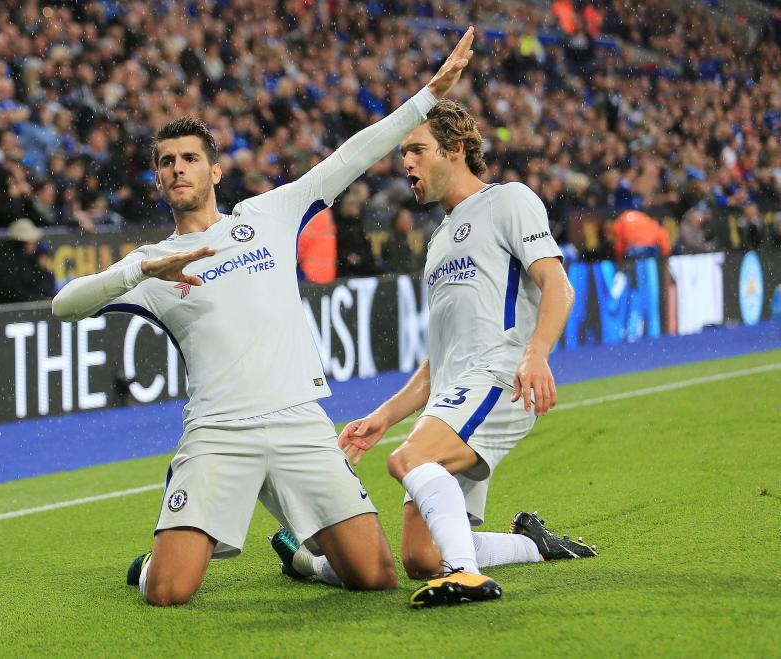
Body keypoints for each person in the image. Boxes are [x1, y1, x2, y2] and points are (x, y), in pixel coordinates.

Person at [52, 28, 480, 607]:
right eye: (167, 163)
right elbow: (64, 305)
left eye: (190, 159)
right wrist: (137, 273)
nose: (178, 169)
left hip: (299, 423)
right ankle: (154, 562)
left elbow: (349, 157)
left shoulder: (268, 215)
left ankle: (301, 557)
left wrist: (427, 97)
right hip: (219, 431)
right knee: (170, 593)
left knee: (374, 575)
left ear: (214, 172)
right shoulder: (150, 264)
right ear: (158, 179)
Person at [334, 94, 597, 609]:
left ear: (454, 148)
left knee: (410, 458)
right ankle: (530, 545)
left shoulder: (509, 201)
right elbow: (438, 361)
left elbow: (558, 285)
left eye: (415, 149)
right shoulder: (438, 241)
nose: (404, 163)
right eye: (402, 153)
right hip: (452, 393)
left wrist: (536, 354)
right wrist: (383, 416)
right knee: (420, 557)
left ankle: (468, 575)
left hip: (500, 379)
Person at [0, 218, 55, 304]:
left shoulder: (31, 258)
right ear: (21, 243)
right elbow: (11, 292)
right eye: (30, 241)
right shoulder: (3, 262)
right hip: (9, 311)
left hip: (28, 309)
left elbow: (41, 284)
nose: (34, 244)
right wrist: (38, 300)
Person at [382, 207, 422, 273]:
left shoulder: (403, 240)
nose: (411, 222)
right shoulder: (391, 243)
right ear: (397, 222)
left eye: (410, 219)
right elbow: (397, 268)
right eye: (407, 219)